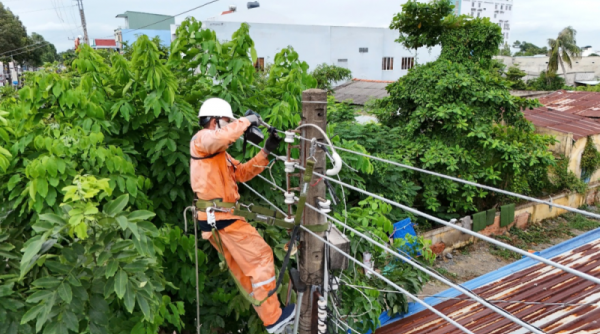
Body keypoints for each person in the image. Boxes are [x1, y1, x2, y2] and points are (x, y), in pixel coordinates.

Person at [190, 98, 294, 333]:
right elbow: (221, 136)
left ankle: (270, 318)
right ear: (215, 121)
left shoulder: (219, 155)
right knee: (261, 258)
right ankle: (274, 319)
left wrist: (266, 150)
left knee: (248, 271)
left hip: (218, 219)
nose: (229, 126)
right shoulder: (202, 139)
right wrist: (246, 121)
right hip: (222, 218)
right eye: (226, 122)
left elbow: (242, 173)